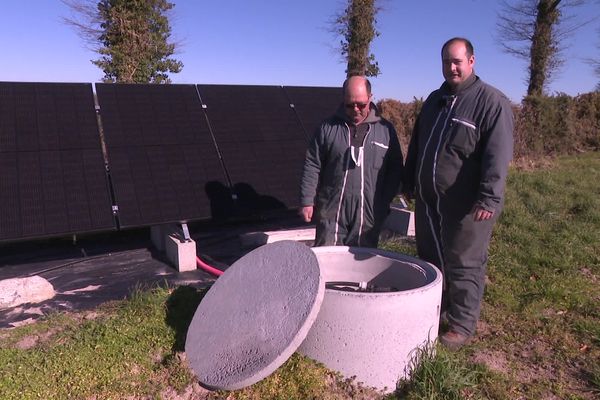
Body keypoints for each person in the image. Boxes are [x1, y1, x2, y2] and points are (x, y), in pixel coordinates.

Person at [403, 38, 514, 350]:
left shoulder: (491, 102)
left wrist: (489, 197)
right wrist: (409, 179)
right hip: (429, 201)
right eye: (446, 62)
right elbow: (418, 144)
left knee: (464, 262)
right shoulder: (434, 101)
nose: (451, 67)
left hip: (467, 205)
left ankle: (462, 324)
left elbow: (498, 155)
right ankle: (438, 310)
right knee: (431, 258)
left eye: (457, 61)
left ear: (472, 61)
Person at [300, 75, 403, 247]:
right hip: (331, 212)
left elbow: (395, 169)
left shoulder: (386, 131)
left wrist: (384, 202)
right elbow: (312, 164)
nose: (355, 109)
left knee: (361, 269)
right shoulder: (327, 128)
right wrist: (307, 201)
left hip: (368, 214)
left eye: (361, 104)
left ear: (370, 98)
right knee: (327, 264)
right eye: (349, 105)